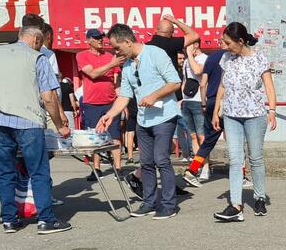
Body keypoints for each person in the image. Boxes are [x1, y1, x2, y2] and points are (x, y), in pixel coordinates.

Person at [0, 24, 72, 234]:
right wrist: (59, 125)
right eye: (41, 43)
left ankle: (9, 219)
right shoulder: (38, 58)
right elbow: (48, 97)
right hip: (29, 122)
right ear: (36, 40)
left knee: (5, 172)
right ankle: (46, 220)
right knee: (38, 171)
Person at [96, 24, 182, 219]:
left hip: (164, 117)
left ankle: (169, 205)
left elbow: (175, 82)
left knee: (161, 159)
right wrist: (110, 114)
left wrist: (154, 95)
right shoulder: (127, 65)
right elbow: (124, 96)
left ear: (128, 42)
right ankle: (149, 202)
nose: (116, 52)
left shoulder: (156, 54)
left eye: (117, 48)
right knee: (146, 162)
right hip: (143, 120)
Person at [213, 22, 278, 222]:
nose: (225, 46)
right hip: (231, 115)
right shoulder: (226, 58)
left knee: (255, 158)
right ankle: (236, 206)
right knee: (235, 159)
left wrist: (272, 110)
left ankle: (259, 197)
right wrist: (216, 111)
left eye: (228, 43)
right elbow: (222, 86)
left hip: (255, 115)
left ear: (240, 41)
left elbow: (269, 86)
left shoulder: (259, 58)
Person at [76, 28, 124, 178]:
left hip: (111, 102)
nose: (100, 40)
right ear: (89, 40)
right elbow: (92, 74)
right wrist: (111, 64)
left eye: (101, 37)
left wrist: (121, 101)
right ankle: (96, 168)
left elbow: (116, 81)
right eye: (97, 38)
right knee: (94, 136)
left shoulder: (109, 56)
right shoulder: (82, 55)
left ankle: (118, 168)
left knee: (115, 135)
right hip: (92, 103)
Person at [183, 47, 227, 186]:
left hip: (211, 101)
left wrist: (203, 104)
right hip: (228, 102)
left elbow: (203, 84)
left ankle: (192, 170)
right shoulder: (233, 57)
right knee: (236, 140)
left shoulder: (211, 57)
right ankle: (242, 175)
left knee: (208, 141)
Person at [147, 14, 200, 87]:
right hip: (170, 86)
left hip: (151, 87)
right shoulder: (173, 43)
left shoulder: (146, 46)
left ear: (156, 30)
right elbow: (194, 35)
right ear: (172, 33)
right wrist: (175, 21)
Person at [182, 42, 208, 158]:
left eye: (188, 45)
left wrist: (189, 54)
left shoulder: (204, 58)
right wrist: (182, 98)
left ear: (196, 45)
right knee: (192, 135)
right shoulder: (186, 61)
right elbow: (185, 80)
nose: (185, 47)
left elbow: (197, 71)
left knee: (201, 135)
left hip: (199, 101)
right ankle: (197, 164)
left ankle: (205, 164)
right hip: (187, 101)